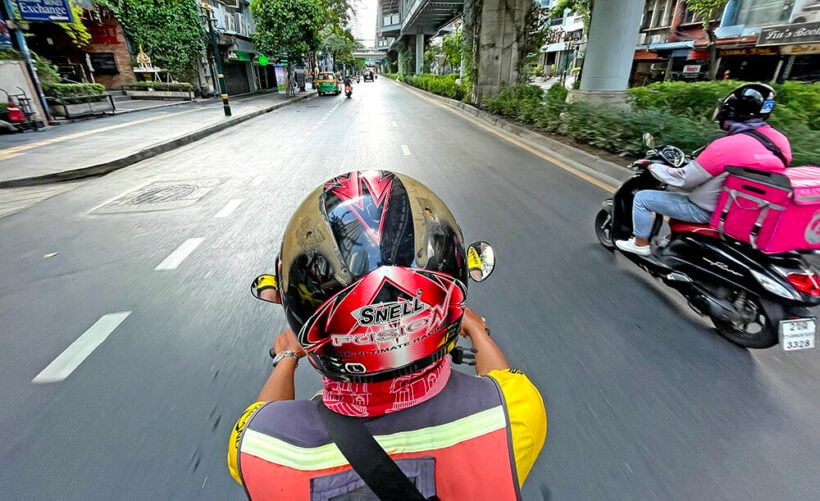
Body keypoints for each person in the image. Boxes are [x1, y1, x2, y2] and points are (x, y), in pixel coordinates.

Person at [228, 171, 547, 500]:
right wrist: (477, 331)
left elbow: (258, 418)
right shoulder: (511, 416)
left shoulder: (259, 448)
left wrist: (287, 358)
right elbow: (503, 380)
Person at [616, 83, 792, 256]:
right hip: (748, 209)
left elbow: (685, 179)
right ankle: (670, 240)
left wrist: (652, 166)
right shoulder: (779, 141)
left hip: (710, 210)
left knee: (643, 198)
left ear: (731, 112)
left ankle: (640, 244)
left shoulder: (726, 145)